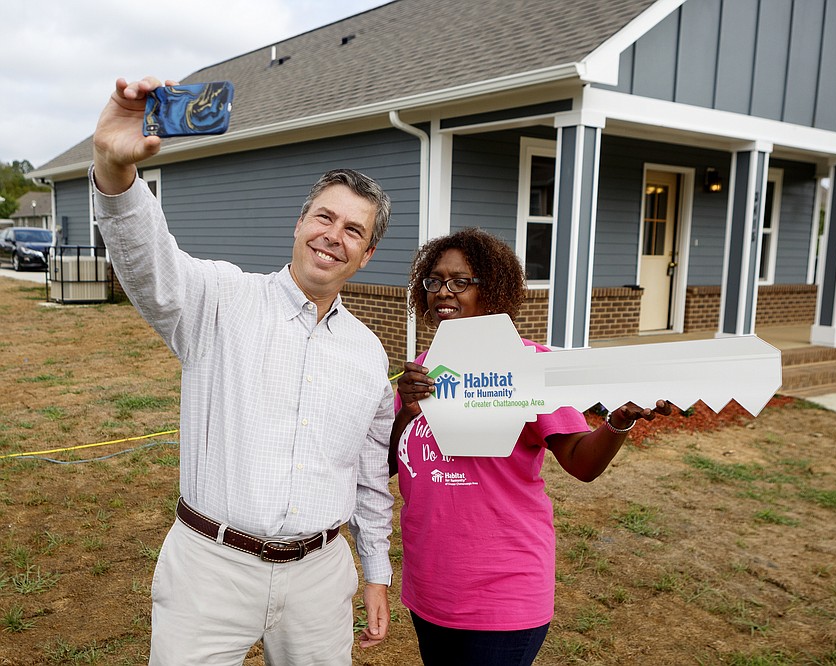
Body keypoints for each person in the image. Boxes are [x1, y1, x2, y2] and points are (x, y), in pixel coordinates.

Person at [91, 76, 395, 665]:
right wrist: (115, 171)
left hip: (319, 578)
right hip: (210, 569)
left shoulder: (368, 354)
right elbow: (148, 261)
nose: (333, 236)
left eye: (353, 230)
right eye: (324, 217)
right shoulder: (219, 300)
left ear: (366, 254)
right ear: (300, 222)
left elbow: (368, 475)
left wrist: (376, 568)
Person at [391, 227, 672, 665]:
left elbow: (581, 462)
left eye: (460, 281)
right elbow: (393, 462)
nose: (444, 292)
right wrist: (408, 409)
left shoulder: (528, 366)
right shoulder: (421, 372)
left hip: (505, 588)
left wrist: (617, 422)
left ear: (494, 290)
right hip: (431, 586)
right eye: (435, 281)